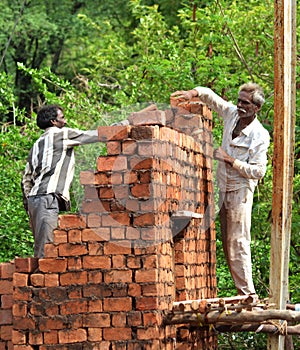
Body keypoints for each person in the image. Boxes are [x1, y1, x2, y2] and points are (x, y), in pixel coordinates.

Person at [171, 83, 270, 297]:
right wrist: (192, 94)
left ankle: (248, 296)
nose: (240, 105)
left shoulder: (259, 135)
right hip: (224, 189)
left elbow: (259, 171)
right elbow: (211, 97)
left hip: (240, 193)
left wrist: (229, 159)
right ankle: (243, 293)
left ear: (256, 108)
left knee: (238, 243)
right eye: (239, 100)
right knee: (228, 243)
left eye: (245, 103)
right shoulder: (232, 114)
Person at [22, 104, 100, 258]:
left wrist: (29, 205)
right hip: (47, 198)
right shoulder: (61, 135)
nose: (65, 121)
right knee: (47, 251)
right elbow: (94, 135)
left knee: (41, 247)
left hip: (34, 200)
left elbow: (26, 179)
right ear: (53, 121)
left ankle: (39, 280)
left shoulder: (36, 145)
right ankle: (42, 282)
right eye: (62, 118)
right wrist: (121, 127)